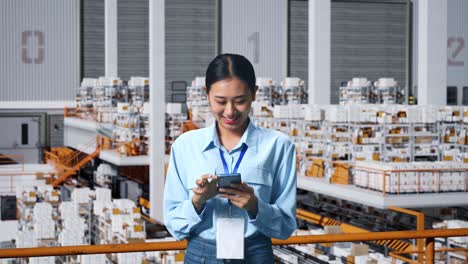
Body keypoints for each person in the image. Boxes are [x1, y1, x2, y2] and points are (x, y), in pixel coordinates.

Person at [163, 53, 297, 263]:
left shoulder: (278, 146)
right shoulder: (185, 146)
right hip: (201, 255)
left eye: (240, 101)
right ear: (207, 94)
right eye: (220, 101)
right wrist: (198, 200)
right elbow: (173, 225)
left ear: (254, 94)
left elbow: (286, 226)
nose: (230, 111)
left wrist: (254, 205)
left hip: (255, 254)